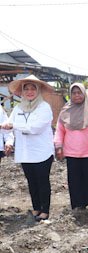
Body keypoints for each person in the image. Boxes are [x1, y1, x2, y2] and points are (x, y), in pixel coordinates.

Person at [1, 75, 55, 222]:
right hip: (25, 152)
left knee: (42, 181)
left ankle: (45, 210)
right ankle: (36, 207)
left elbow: (35, 128)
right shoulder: (18, 108)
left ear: (38, 91)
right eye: (26, 89)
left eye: (33, 89)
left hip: (41, 152)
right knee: (31, 181)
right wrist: (5, 127)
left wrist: (14, 126)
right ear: (22, 92)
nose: (30, 92)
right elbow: (9, 125)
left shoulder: (44, 107)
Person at [54, 83, 88, 219]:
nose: (77, 95)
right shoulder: (65, 111)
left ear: (84, 94)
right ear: (70, 95)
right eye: (74, 93)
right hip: (72, 153)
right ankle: (80, 205)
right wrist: (58, 146)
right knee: (75, 180)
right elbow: (59, 130)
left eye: (79, 92)